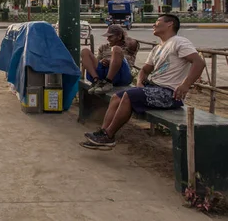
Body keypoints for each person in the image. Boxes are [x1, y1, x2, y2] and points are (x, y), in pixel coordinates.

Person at [84, 14, 205, 147]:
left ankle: (109, 135)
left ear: (170, 24)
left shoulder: (179, 42)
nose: (154, 24)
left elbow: (198, 62)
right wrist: (140, 82)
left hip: (169, 93)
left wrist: (185, 85)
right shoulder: (158, 48)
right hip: (153, 88)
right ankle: (103, 132)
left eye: (158, 21)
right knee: (116, 98)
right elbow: (144, 70)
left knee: (128, 95)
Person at [80, 24, 138, 94]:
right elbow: (98, 62)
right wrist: (102, 61)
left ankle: (108, 82)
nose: (107, 39)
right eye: (107, 37)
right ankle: (97, 81)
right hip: (104, 73)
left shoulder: (129, 46)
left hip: (122, 75)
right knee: (85, 51)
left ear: (119, 36)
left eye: (110, 37)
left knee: (116, 48)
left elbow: (132, 42)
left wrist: (123, 35)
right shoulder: (103, 47)